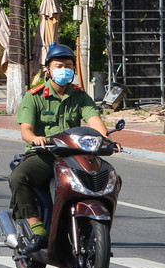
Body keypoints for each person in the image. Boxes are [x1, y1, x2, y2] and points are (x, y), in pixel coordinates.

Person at [8, 43, 110, 246]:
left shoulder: (80, 96)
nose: (64, 69)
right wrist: (35, 138)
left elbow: (95, 122)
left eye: (69, 65)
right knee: (18, 177)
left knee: (108, 176)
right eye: (59, 65)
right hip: (44, 154)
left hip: (74, 155)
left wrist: (106, 139)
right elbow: (26, 130)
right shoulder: (34, 96)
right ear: (48, 69)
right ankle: (35, 225)